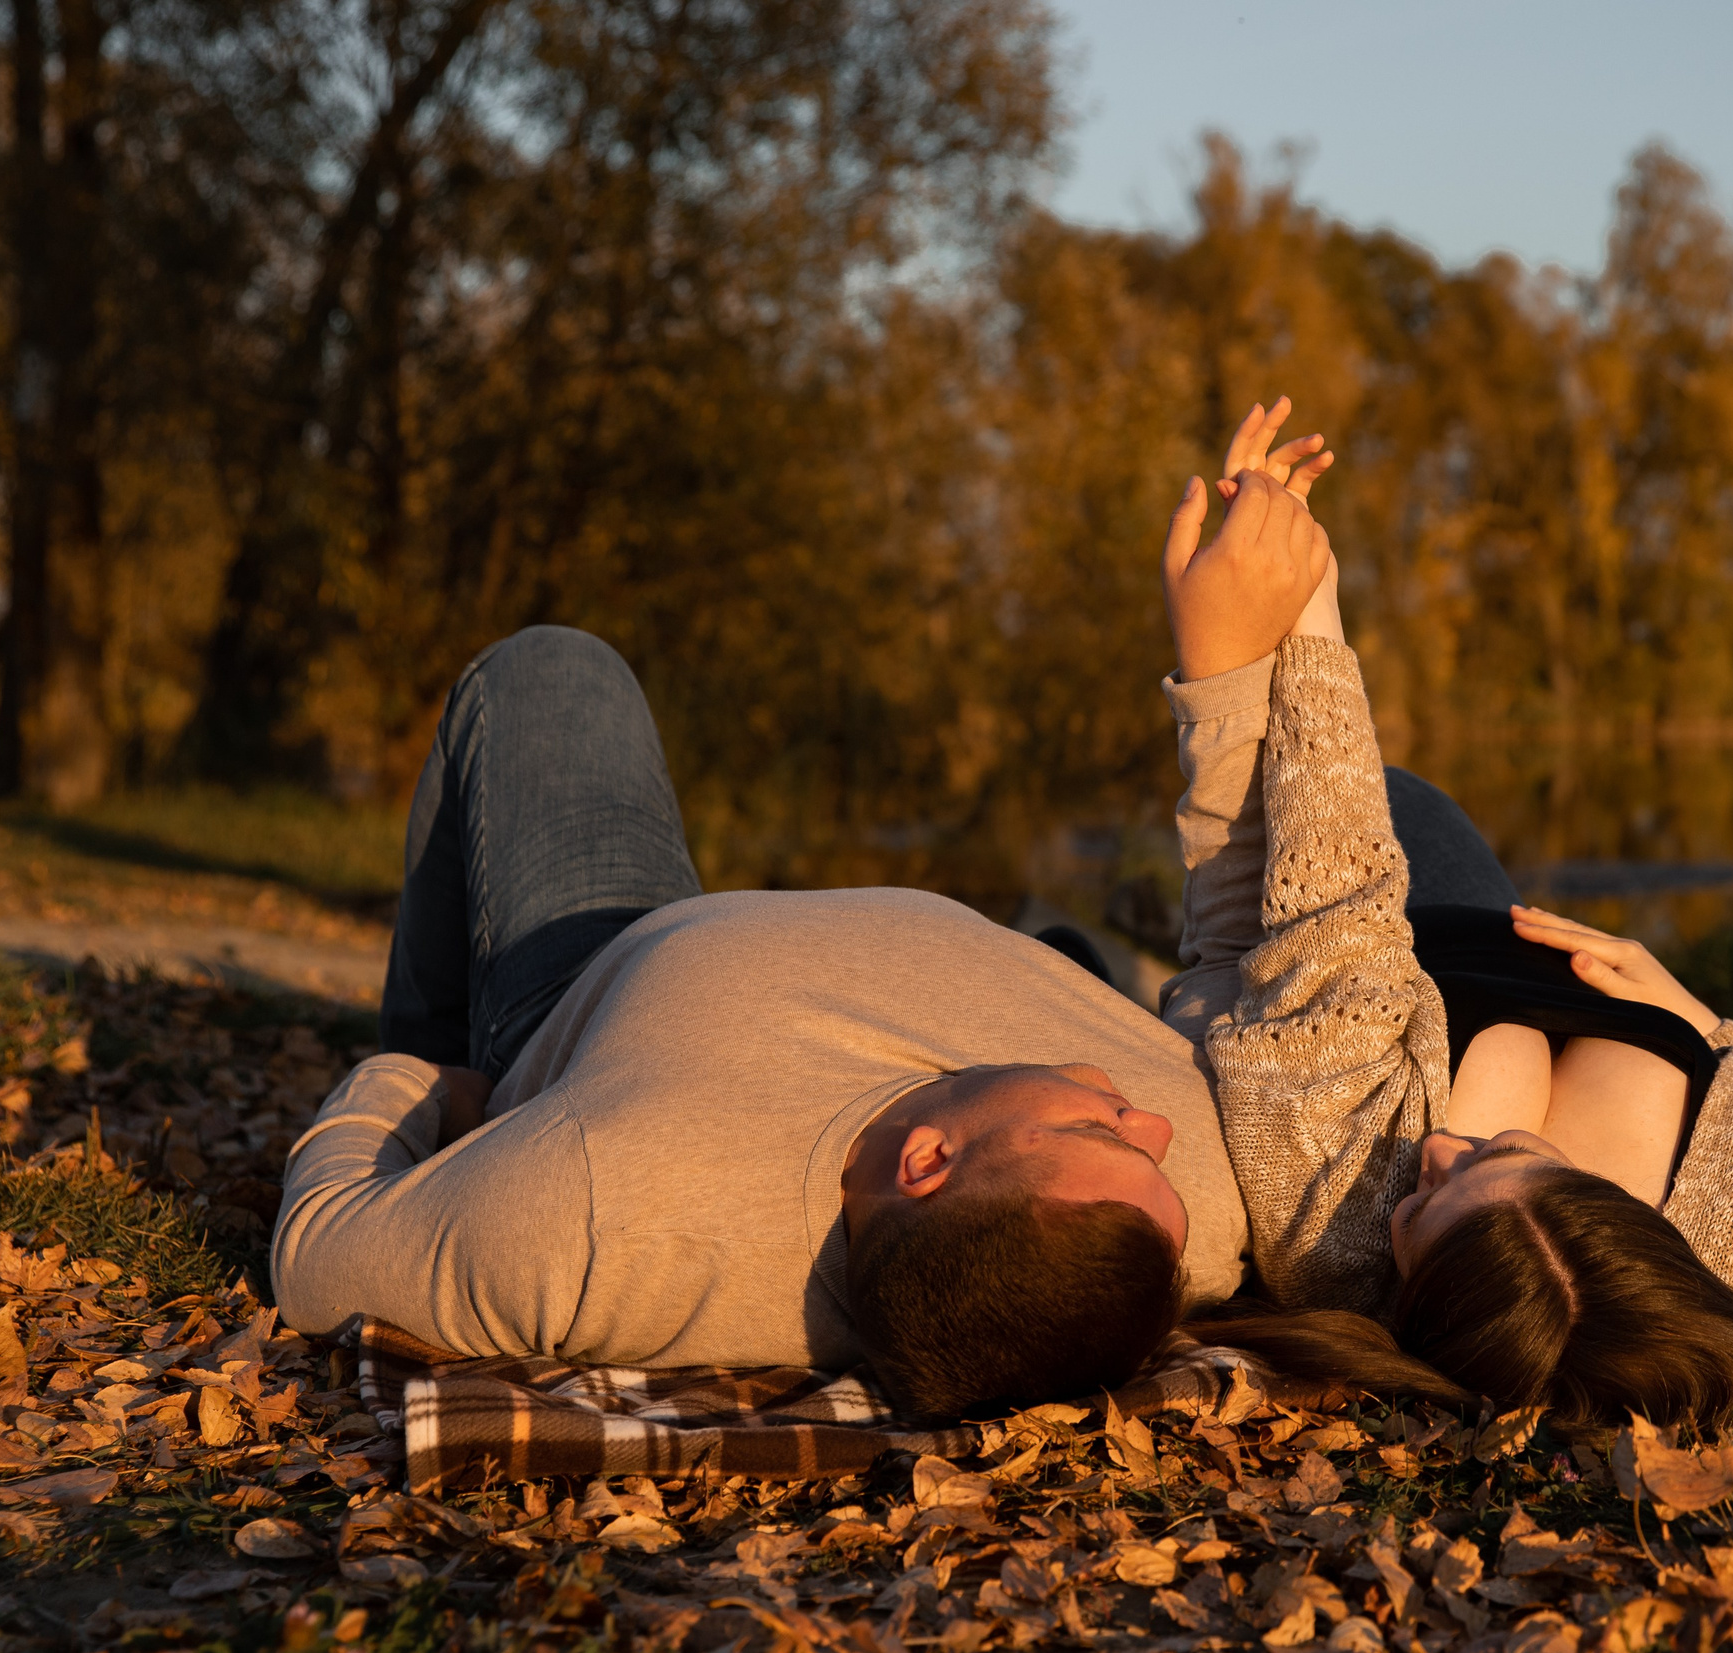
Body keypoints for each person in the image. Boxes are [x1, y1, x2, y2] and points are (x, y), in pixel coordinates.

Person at [271, 461, 1338, 1418]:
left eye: (1104, 1136)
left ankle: (449, 1040)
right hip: (1003, 964)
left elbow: (319, 1258)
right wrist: (1242, 658)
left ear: (926, 1163)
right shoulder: (1175, 1220)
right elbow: (1235, 956)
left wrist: (413, 1089)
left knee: (551, 671)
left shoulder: (599, 1211)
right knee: (1077, 944)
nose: (1150, 1121)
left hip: (604, 966)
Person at [1155, 401, 1733, 1428]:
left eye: (1421, 1212)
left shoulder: (1332, 1228)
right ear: (1628, 1233)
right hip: (1487, 918)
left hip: (1365, 944)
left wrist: (1281, 628)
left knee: (1358, 796)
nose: (1435, 1159)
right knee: (1399, 800)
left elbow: (1305, 914)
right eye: (1496, 1157)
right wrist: (1703, 1023)